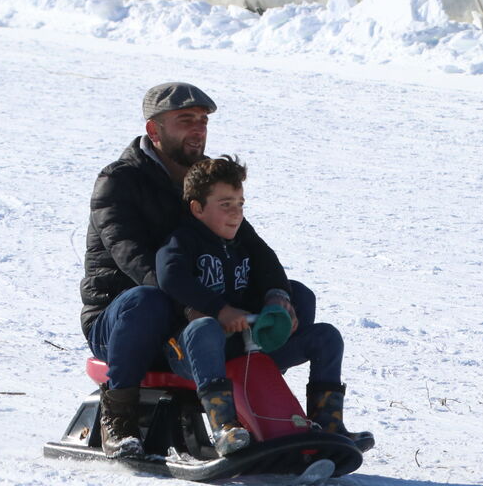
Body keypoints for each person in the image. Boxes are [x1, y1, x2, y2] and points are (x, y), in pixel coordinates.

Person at [81, 82, 313, 459]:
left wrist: (277, 295)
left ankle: (260, 410)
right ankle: (119, 417)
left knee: (296, 296)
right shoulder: (119, 181)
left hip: (198, 318)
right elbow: (132, 258)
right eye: (185, 120)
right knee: (149, 300)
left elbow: (255, 249)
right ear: (154, 131)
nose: (198, 130)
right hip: (125, 322)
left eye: (203, 121)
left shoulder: (202, 181)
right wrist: (194, 305)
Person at [156, 155, 374, 456]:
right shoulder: (182, 241)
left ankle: (328, 424)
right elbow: (170, 277)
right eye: (225, 205)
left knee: (327, 336)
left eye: (240, 204)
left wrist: (277, 298)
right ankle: (225, 427)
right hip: (193, 353)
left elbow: (270, 265)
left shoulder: (242, 237)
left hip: (248, 348)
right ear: (197, 208)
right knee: (204, 328)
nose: (236, 214)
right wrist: (219, 310)